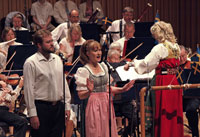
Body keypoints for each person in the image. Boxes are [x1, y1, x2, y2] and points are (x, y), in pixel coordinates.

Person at [125, 21, 184, 137]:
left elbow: (147, 63)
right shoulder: (176, 46)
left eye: (154, 34)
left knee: (162, 111)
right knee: (172, 111)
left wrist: (132, 64)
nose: (154, 37)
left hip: (162, 82)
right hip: (173, 80)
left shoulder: (160, 47)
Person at [74, 39, 135, 137]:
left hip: (106, 103)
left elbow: (107, 88)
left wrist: (123, 89)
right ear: (87, 53)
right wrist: (89, 91)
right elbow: (81, 95)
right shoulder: (84, 71)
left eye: (99, 50)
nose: (98, 53)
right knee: (95, 132)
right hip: (93, 104)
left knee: (108, 131)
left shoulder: (104, 66)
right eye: (95, 50)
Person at [23, 29, 71, 137]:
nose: (52, 44)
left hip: (58, 107)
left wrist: (67, 106)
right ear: (39, 45)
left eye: (52, 41)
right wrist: (32, 114)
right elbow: (28, 90)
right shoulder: (31, 62)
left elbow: (63, 84)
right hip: (41, 108)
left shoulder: (58, 59)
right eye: (48, 42)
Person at [180, 45, 199, 137]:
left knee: (191, 109)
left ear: (187, 54)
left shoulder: (194, 65)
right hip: (177, 96)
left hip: (192, 96)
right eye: (179, 56)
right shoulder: (173, 66)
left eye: (183, 56)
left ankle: (195, 133)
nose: (181, 58)